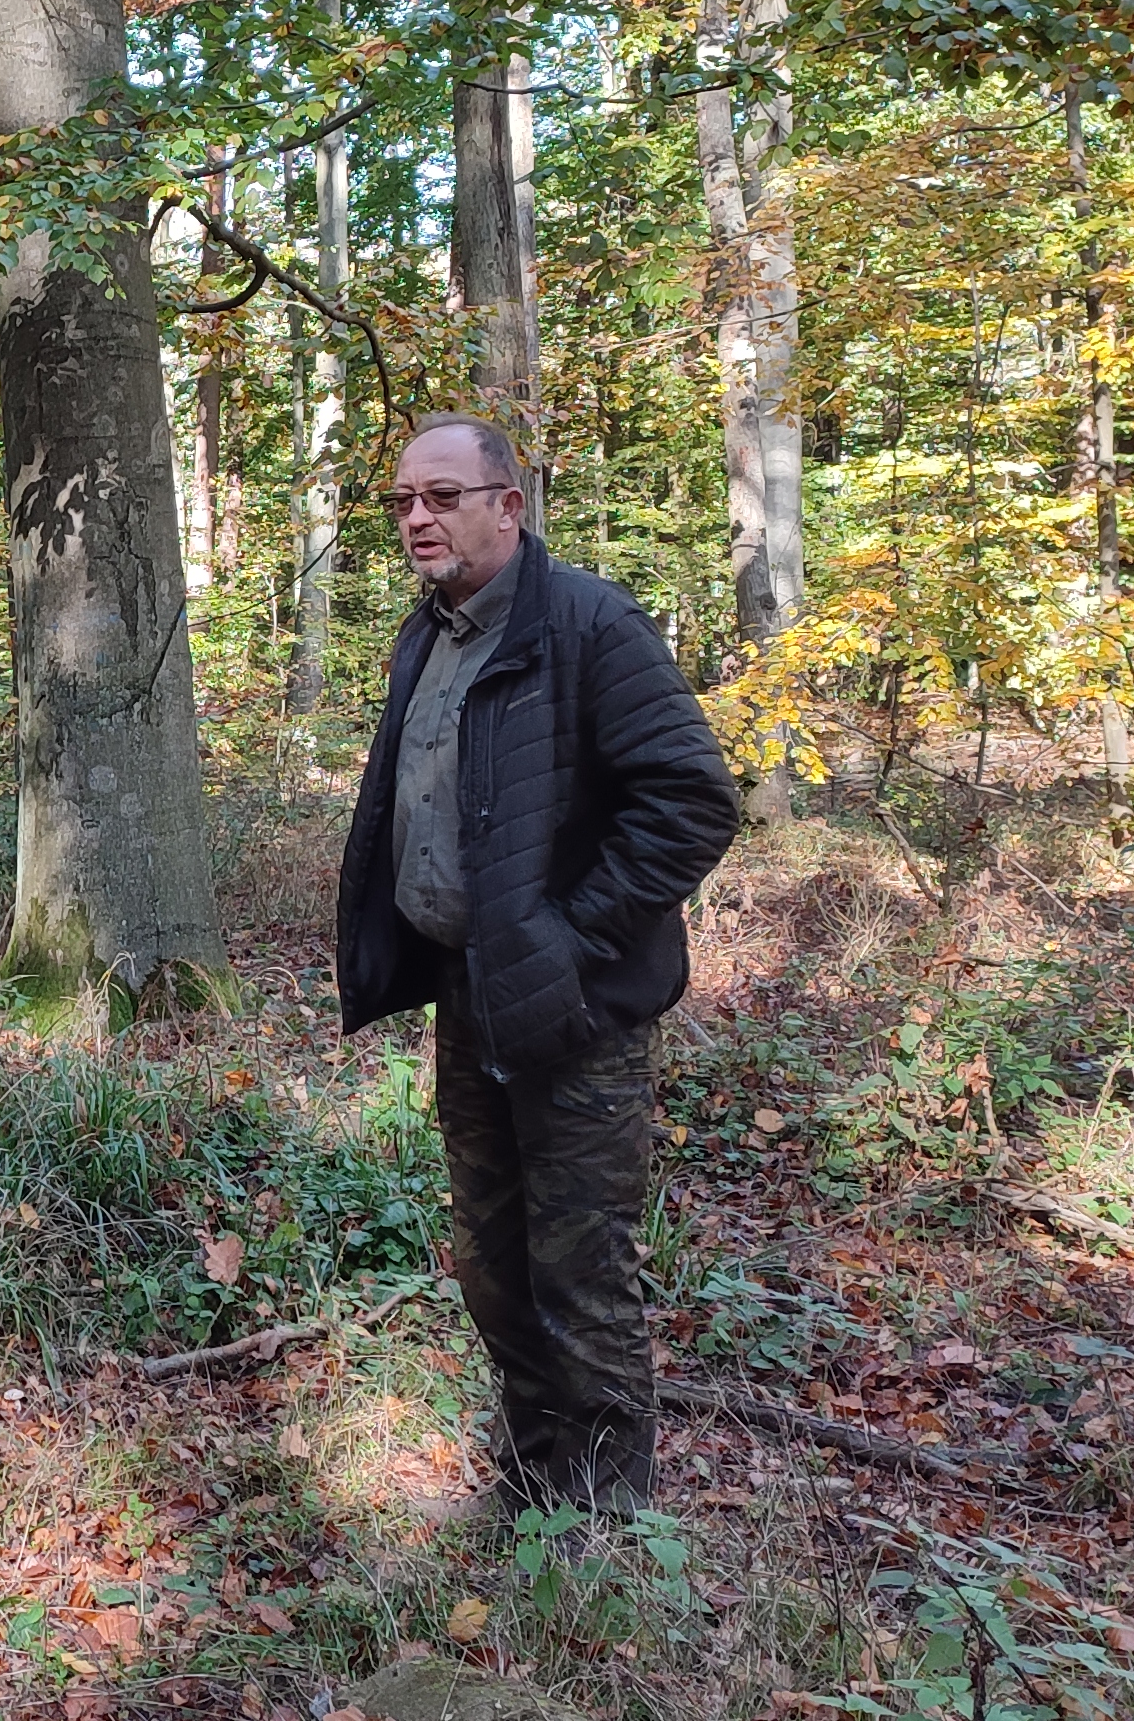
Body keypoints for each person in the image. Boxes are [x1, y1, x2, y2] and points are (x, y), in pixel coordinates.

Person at [335, 415, 739, 1521]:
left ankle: (603, 1528)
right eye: (404, 500)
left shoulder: (588, 624)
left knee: (579, 1269)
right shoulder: (431, 633)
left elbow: (693, 803)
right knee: (491, 1260)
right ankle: (530, 1484)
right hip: (470, 997)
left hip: (575, 1011)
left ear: (507, 505)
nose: (418, 517)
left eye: (444, 496)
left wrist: (569, 935)